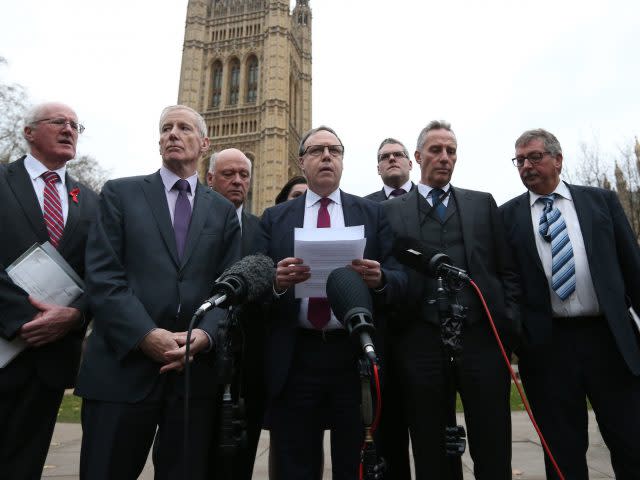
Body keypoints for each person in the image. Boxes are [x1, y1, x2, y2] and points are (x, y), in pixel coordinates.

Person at [75, 105, 241, 479]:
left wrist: (205, 334)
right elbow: (103, 277)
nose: (172, 134)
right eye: (166, 128)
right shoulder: (121, 193)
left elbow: (228, 287)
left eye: (183, 128)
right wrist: (144, 335)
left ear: (204, 143)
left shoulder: (222, 212)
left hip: (191, 378)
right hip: (122, 369)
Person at [257, 125, 406, 479]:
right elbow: (256, 284)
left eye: (334, 151)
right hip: (297, 358)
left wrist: (381, 279)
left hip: (351, 357)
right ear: (302, 161)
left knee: (354, 462)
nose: (327, 156)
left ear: (342, 161)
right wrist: (276, 283)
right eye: (317, 150)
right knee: (295, 464)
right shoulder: (274, 218)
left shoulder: (373, 213)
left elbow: (402, 279)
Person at [383, 120, 521, 479]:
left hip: (481, 343)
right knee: (430, 449)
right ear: (417, 157)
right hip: (420, 343)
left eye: (451, 151)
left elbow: (506, 270)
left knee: (493, 446)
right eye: (436, 150)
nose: (445, 158)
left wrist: (506, 327)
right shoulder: (390, 212)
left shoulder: (481, 204)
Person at [500, 129, 640, 479]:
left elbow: (632, 270)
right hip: (548, 348)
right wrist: (519, 339)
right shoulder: (506, 217)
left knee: (630, 440)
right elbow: (508, 283)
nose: (527, 166)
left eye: (535, 157)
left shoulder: (601, 202)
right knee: (562, 453)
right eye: (520, 160)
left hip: (608, 340)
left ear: (558, 159)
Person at [0, 102, 99, 479]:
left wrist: (75, 315)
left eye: (76, 125)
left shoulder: (91, 200)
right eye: (59, 122)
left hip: (51, 358)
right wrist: (24, 316)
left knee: (24, 463)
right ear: (29, 132)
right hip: (6, 339)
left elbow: (101, 273)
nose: (69, 129)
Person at [206, 147, 265, 479]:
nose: (238, 181)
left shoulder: (262, 228)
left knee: (240, 456)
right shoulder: (191, 222)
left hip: (247, 363)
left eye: (244, 175)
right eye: (229, 174)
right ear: (210, 178)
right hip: (199, 357)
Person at [365, 137, 415, 202]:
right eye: (385, 157)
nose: (392, 158)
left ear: (410, 164)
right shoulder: (365, 205)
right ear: (378, 169)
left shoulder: (428, 196)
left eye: (398, 154)